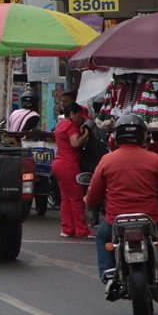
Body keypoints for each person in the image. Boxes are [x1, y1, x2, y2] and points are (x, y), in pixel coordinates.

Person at [84, 113, 158, 299]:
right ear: (143, 136)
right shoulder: (154, 159)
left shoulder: (107, 160)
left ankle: (108, 274)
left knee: (101, 236)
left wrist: (88, 203)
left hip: (116, 221)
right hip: (151, 219)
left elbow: (94, 195)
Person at [53, 101, 92, 238]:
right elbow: (75, 143)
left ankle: (67, 228)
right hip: (69, 165)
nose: (80, 119)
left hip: (58, 164)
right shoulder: (71, 125)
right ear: (72, 114)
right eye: (79, 115)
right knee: (76, 198)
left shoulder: (60, 125)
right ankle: (81, 230)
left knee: (65, 199)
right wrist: (86, 134)